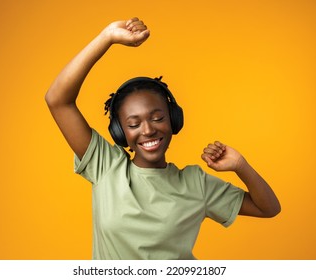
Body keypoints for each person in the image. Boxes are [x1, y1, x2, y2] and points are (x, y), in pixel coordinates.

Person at [45, 17, 281, 260]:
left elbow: (269, 208)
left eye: (157, 118)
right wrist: (107, 37)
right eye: (134, 124)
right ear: (119, 132)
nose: (147, 130)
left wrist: (240, 166)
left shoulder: (195, 183)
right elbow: (57, 100)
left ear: (173, 120)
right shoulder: (106, 166)